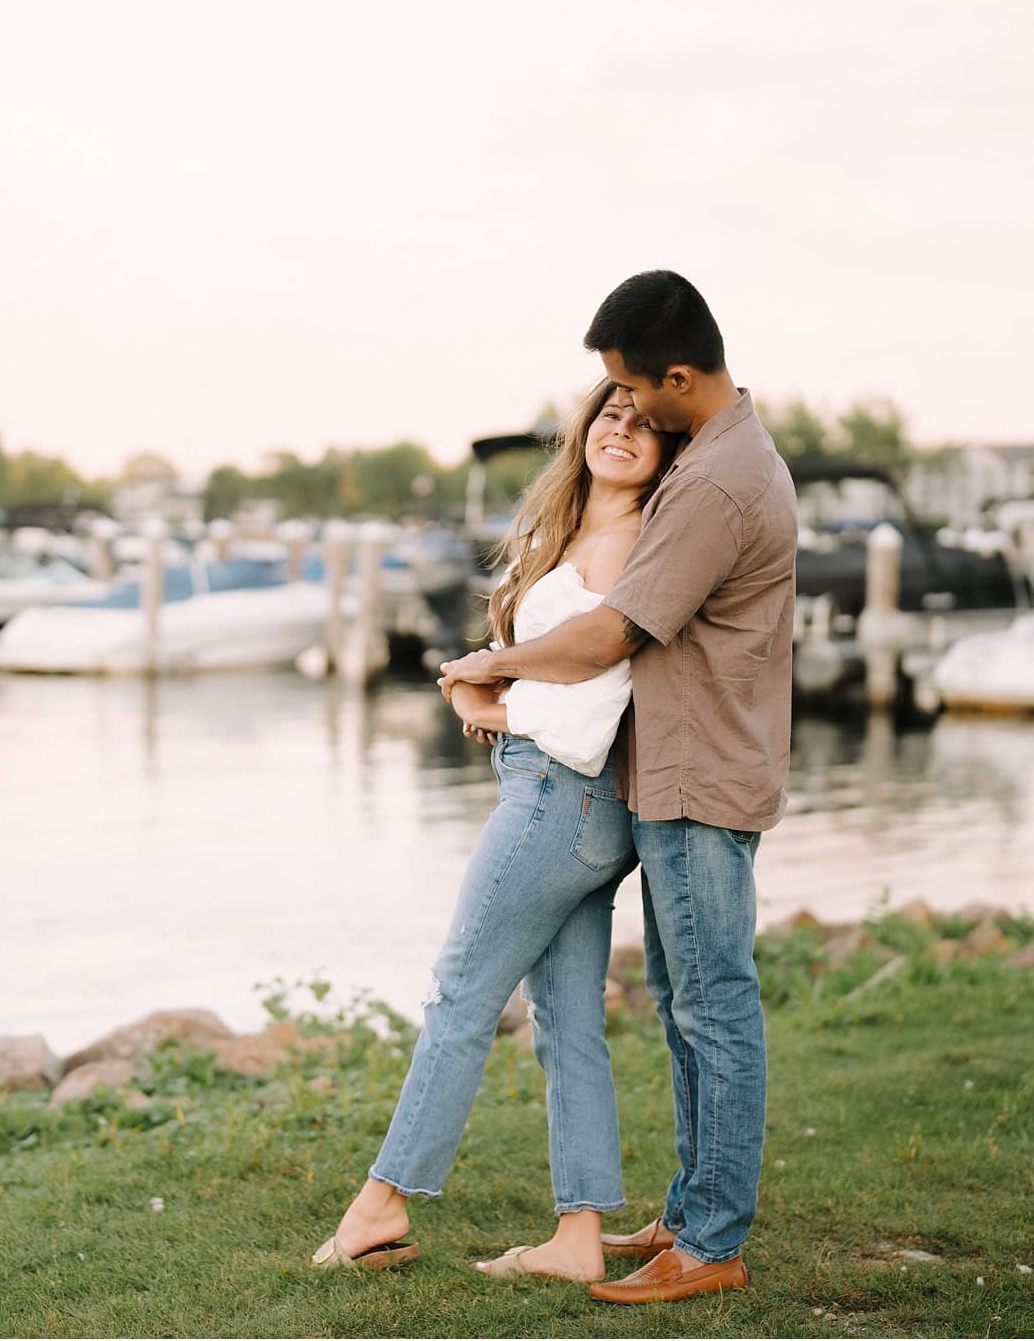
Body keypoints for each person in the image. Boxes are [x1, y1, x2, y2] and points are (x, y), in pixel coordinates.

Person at [439, 269, 797, 1305]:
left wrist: (489, 665)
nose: (626, 407)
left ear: (680, 376)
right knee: (688, 1000)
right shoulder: (720, 458)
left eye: (634, 389)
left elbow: (610, 632)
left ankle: (712, 1239)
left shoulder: (720, 484)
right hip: (686, 767)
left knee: (712, 1006)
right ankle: (688, 1213)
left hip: (696, 777)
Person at [311, 378, 680, 1282]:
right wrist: (493, 693)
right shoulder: (575, 534)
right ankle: (580, 1236)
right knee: (566, 1021)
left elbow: (594, 705)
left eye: (645, 422)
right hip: (578, 807)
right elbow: (563, 679)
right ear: (584, 429)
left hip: (561, 798)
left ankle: (381, 1203)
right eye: (611, 413)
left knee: (460, 996)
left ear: (668, 449)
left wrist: (494, 697)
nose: (623, 429)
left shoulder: (635, 540)